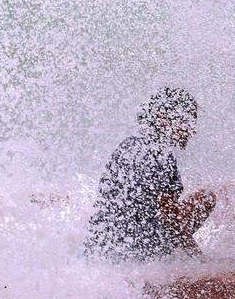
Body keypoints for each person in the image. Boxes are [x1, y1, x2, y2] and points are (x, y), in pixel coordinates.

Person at [85, 87, 216, 260]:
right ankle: (157, 256)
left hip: (102, 243)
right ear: (163, 119)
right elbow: (171, 220)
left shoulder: (128, 145)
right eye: (187, 121)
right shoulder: (161, 155)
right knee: (206, 198)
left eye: (193, 122)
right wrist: (199, 258)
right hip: (138, 249)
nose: (192, 130)